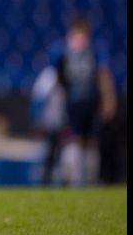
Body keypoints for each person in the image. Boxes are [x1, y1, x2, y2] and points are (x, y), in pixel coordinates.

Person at [47, 13, 117, 186]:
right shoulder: (64, 50)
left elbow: (102, 75)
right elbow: (57, 77)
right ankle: (77, 180)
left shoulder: (91, 49)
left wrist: (108, 99)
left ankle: (88, 180)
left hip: (88, 99)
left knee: (90, 140)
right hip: (74, 100)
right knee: (75, 139)